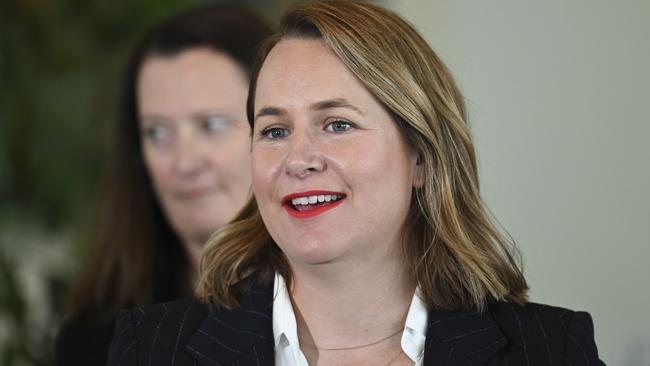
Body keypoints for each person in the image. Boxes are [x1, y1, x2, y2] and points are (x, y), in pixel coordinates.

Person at [106, 1, 605, 365]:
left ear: (422, 157)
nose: (298, 159)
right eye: (275, 131)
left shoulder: (549, 348)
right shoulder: (150, 346)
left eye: (337, 124)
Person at [55, 4, 271, 365]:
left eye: (213, 125)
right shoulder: (96, 338)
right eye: (157, 132)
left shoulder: (331, 317)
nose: (184, 162)